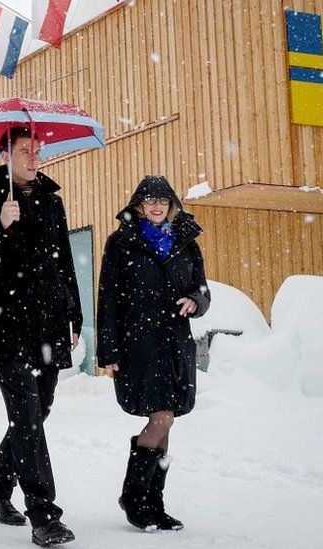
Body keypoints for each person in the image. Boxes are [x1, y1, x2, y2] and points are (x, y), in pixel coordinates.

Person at [0, 127, 82, 547]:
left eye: (37, 151)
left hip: (49, 325)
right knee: (27, 416)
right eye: (25, 152)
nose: (34, 158)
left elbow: (64, 260)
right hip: (8, 326)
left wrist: (75, 314)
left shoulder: (52, 200)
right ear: (4, 154)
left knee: (39, 410)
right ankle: (44, 514)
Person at [96, 175, 210, 532]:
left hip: (176, 342)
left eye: (162, 200)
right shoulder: (121, 242)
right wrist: (109, 348)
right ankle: (133, 497)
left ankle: (154, 503)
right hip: (139, 344)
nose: (157, 206)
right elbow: (108, 298)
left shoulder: (186, 242)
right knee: (160, 418)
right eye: (149, 200)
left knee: (168, 420)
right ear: (139, 206)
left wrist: (196, 300)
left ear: (172, 204)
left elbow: (202, 287)